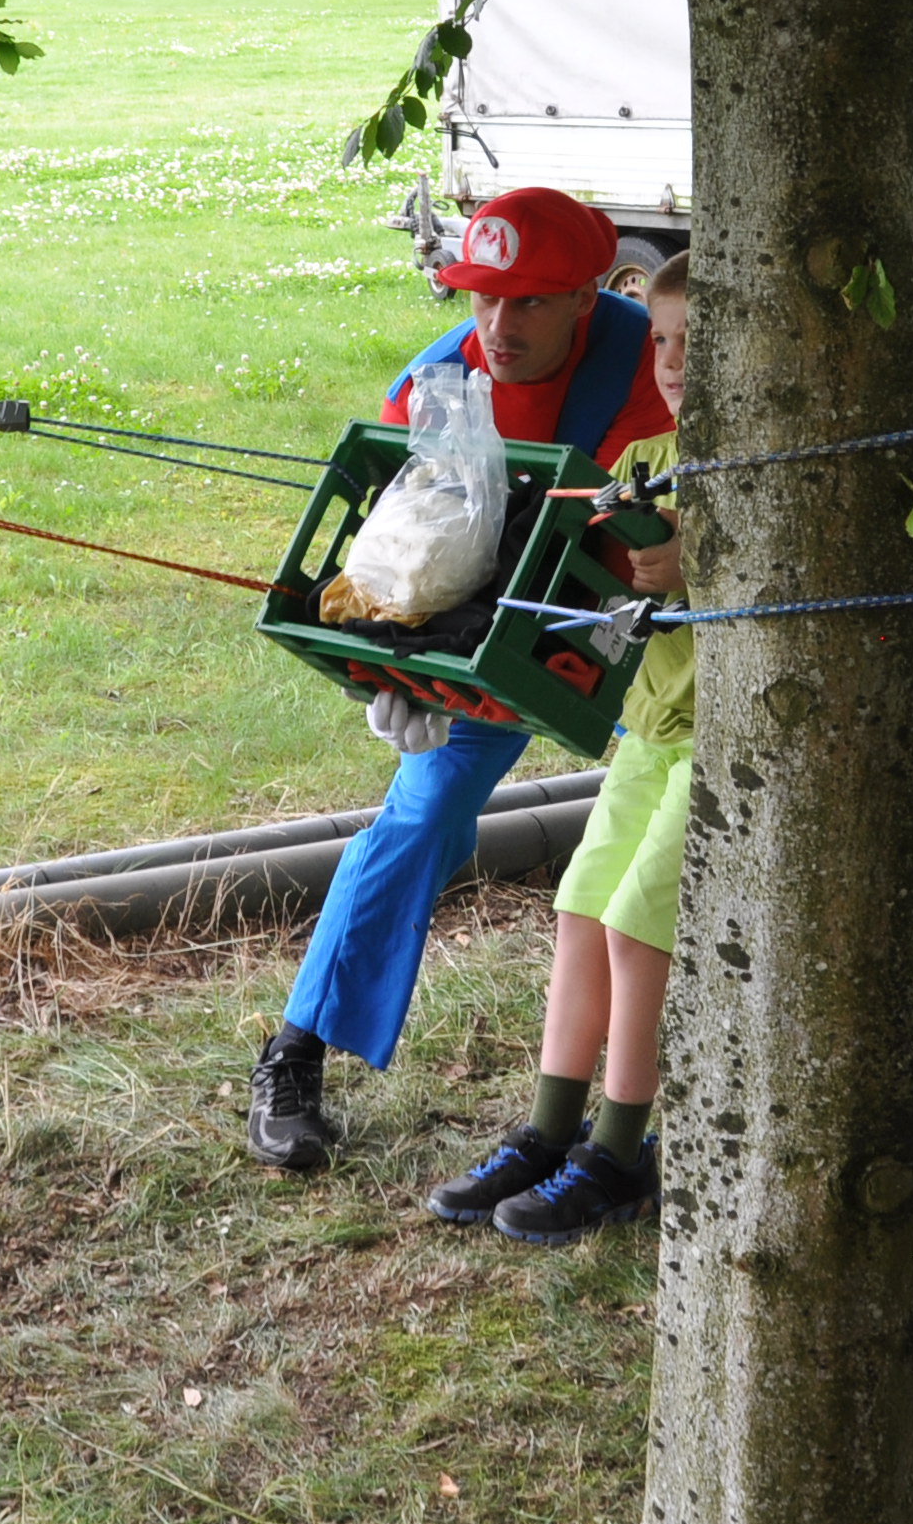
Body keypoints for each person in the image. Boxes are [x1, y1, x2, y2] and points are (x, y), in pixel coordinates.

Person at [245, 185, 673, 1172]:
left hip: (671, 631)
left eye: (527, 301)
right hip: (512, 632)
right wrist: (394, 681)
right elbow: (395, 568)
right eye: (481, 297)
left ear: (585, 297)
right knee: (422, 811)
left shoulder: (655, 358)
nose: (497, 324)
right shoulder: (432, 391)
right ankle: (294, 1054)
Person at [423, 252, 692, 1245]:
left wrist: (694, 561)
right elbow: (588, 603)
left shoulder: (769, 471)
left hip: (717, 741)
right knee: (579, 907)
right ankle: (549, 1130)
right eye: (660, 338)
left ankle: (618, 1151)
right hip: (649, 731)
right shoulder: (639, 459)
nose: (669, 361)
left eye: (694, 344)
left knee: (634, 922)